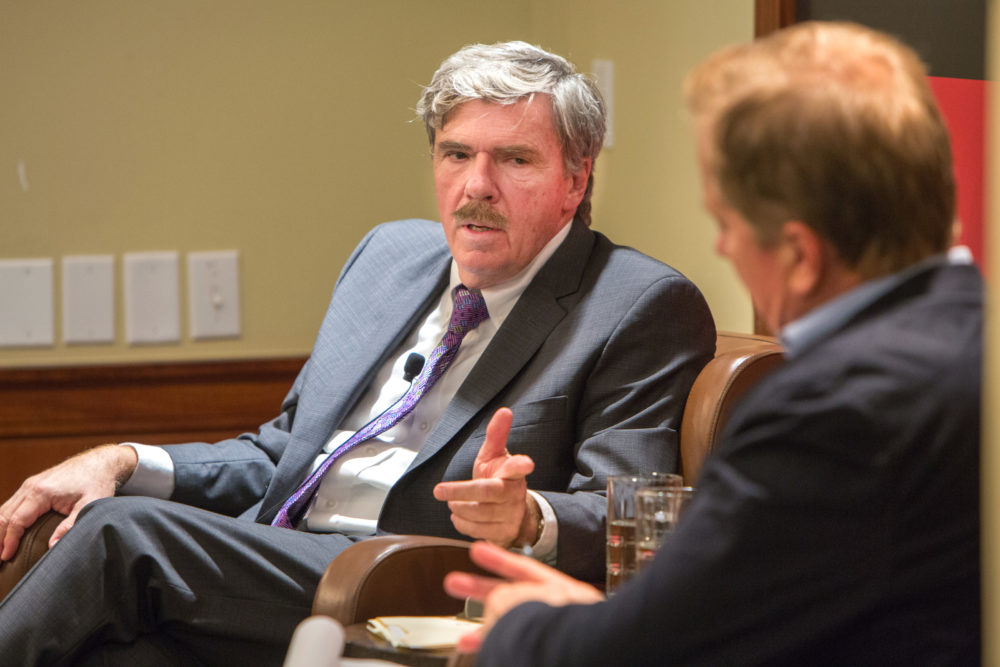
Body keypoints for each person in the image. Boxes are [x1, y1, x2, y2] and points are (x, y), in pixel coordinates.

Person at [0, 41, 715, 664]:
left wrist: (528, 516)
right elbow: (282, 453)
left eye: (515, 159)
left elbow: (624, 511)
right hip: (273, 565)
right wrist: (124, 458)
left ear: (576, 179)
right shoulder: (388, 256)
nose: (476, 186)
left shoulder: (637, 303)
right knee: (115, 646)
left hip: (412, 577)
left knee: (115, 532)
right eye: (456, 153)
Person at [444, 22, 981, 665]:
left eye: (726, 223)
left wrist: (517, 627)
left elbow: (654, 652)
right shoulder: (973, 338)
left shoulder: (838, 414)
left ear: (802, 255)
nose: (722, 247)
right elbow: (709, 612)